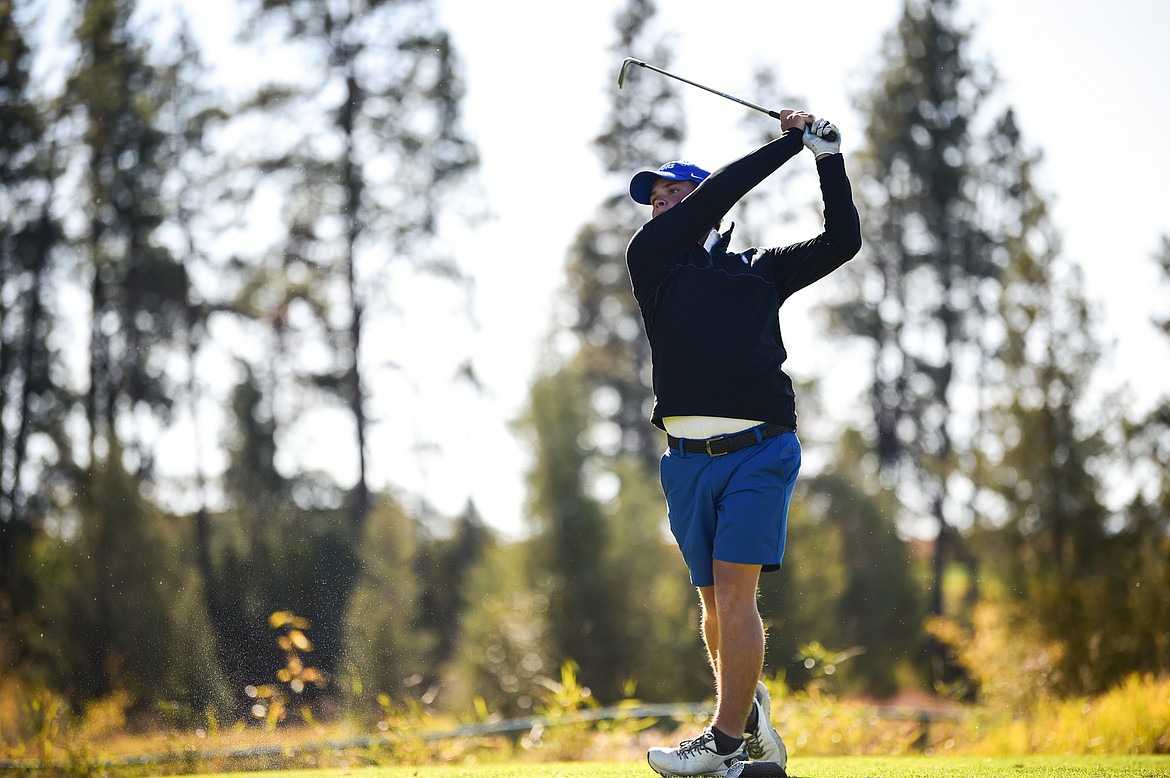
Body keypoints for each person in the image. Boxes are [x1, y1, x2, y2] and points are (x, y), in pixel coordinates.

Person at [624, 110, 861, 777]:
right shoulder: (653, 263)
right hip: (686, 462)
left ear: (700, 206)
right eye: (655, 202)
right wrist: (788, 142)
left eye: (674, 197)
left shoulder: (761, 269)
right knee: (712, 608)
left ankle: (723, 743)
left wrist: (825, 157)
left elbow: (843, 240)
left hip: (761, 450)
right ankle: (749, 718)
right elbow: (727, 188)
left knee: (735, 595)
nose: (660, 208)